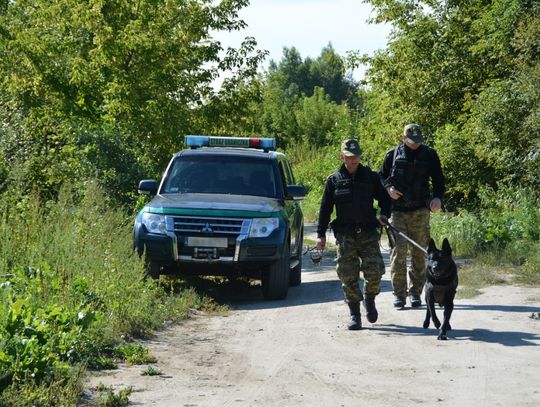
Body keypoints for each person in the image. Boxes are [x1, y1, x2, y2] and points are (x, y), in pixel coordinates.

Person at [316, 139, 391, 330]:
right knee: (348, 276)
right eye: (349, 157)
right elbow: (325, 209)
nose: (353, 160)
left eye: (356, 156)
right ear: (342, 156)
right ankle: (355, 314)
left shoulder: (370, 177)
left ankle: (370, 297)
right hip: (345, 235)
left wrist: (384, 214)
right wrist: (320, 234)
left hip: (368, 232)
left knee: (375, 272)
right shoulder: (334, 180)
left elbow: (385, 199)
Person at [379, 123, 445, 308]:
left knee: (419, 253)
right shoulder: (392, 155)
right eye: (411, 140)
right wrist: (388, 189)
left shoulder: (429, 155)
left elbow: (439, 179)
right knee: (398, 253)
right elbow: (381, 177)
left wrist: (438, 198)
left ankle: (415, 292)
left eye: (418, 140)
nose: (415, 144)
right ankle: (399, 294)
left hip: (420, 211)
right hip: (398, 211)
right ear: (403, 138)